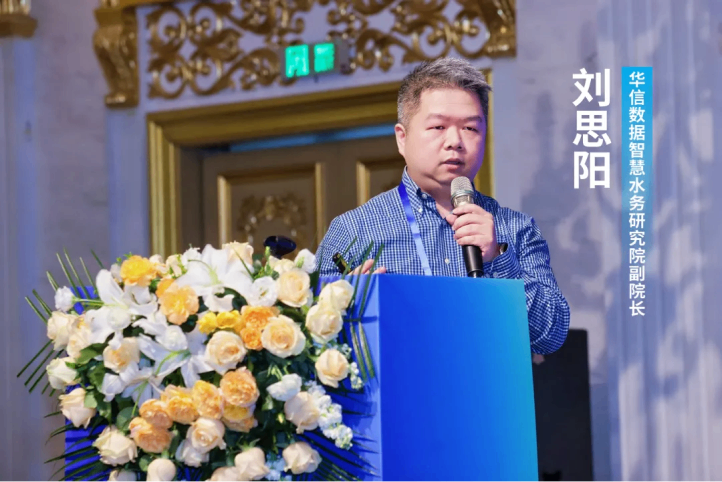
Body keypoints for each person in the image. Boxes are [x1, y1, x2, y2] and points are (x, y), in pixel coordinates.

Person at [315, 57, 569, 354]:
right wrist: (347, 309)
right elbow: (312, 342)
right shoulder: (353, 230)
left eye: (470, 128)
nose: (455, 141)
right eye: (438, 126)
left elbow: (551, 336)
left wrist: (498, 259)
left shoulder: (515, 228)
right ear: (402, 138)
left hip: (489, 383)